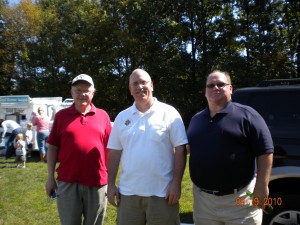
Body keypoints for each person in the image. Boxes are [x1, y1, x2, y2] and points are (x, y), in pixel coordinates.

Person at [187, 70, 274, 225]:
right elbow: (189, 148)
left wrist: (262, 186)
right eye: (211, 85)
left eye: (221, 84)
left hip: (240, 200)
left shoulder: (247, 115)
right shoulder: (196, 120)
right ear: (205, 91)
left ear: (230, 88)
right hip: (203, 203)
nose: (216, 87)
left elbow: (265, 151)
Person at [107, 68, 188, 225]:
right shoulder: (122, 117)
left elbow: (180, 149)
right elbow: (115, 152)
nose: (140, 87)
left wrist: (176, 183)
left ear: (152, 85)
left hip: (163, 193)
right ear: (130, 90)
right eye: (135, 84)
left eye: (143, 82)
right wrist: (110, 185)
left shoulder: (169, 113)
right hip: (128, 194)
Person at [45, 74, 112, 225]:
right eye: (78, 90)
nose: (82, 94)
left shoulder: (103, 115)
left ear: (93, 93)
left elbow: (110, 149)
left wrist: (109, 178)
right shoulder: (61, 116)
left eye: (86, 90)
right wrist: (50, 178)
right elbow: (53, 147)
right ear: (71, 92)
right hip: (68, 181)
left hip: (97, 182)